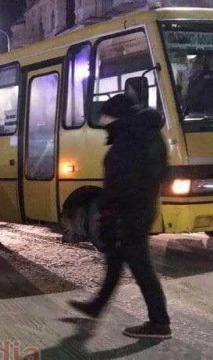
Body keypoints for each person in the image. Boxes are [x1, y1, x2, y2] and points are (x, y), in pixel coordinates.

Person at [69, 94, 171, 339]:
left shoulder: (130, 140)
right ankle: (96, 306)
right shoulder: (147, 134)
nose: (104, 125)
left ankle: (159, 323)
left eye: (106, 119)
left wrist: (110, 211)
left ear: (117, 118)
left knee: (141, 267)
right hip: (139, 209)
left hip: (129, 213)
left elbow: (121, 184)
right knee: (115, 260)